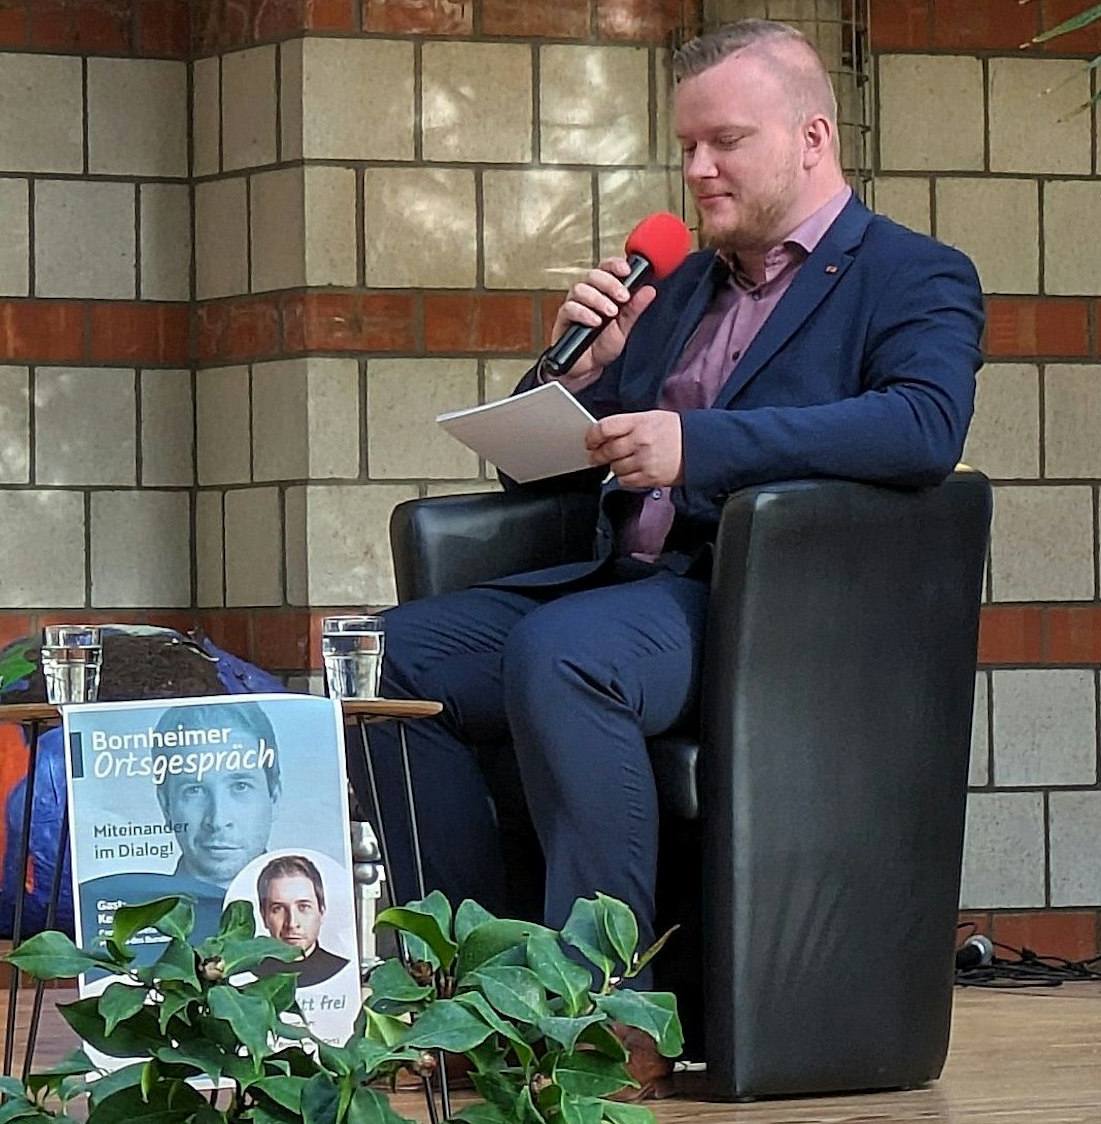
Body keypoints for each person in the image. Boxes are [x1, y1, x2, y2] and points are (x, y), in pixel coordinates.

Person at [360, 15, 981, 1024]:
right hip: (618, 588)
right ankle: (465, 992)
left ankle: (597, 1011)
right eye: (685, 145)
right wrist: (579, 370)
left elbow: (921, 426)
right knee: (388, 658)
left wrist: (703, 443)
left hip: (754, 604)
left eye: (724, 142)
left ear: (812, 138)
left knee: (565, 654)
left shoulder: (911, 275)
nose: (695, 169)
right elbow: (545, 472)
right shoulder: (680, 285)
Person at [77, 701, 282, 949]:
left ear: (274, 796)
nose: (217, 820)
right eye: (194, 790)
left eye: (240, 786)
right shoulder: (130, 914)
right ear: (166, 805)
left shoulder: (311, 916)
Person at [255, 854, 351, 988]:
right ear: (263, 915)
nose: (292, 923)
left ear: (321, 911)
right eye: (278, 909)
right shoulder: (250, 974)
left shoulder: (344, 970)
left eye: (303, 907)